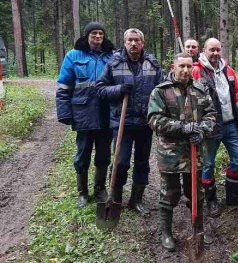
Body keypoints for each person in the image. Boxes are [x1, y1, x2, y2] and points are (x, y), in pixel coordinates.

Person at [148, 52, 217, 251]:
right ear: (173, 67)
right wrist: (182, 127)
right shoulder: (161, 91)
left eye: (189, 66)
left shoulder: (200, 89)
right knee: (169, 193)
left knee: (195, 192)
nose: (186, 70)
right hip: (170, 152)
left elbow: (211, 114)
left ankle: (198, 231)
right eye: (182, 67)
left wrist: (202, 130)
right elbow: (154, 119)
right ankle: (167, 233)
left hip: (194, 150)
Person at [96, 28, 164, 215]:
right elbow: (100, 89)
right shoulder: (114, 63)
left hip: (145, 123)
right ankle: (116, 198)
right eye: (130, 40)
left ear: (143, 43)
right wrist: (118, 90)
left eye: (137, 40)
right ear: (125, 42)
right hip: (122, 122)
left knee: (142, 163)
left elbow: (162, 89)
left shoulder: (153, 64)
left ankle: (136, 200)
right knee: (121, 162)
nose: (133, 44)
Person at [56, 22, 115, 208]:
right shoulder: (73, 56)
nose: (98, 37)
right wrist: (64, 112)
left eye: (101, 34)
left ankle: (100, 189)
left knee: (104, 155)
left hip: (106, 114)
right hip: (83, 114)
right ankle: (82, 192)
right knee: (82, 155)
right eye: (94, 34)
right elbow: (64, 87)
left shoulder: (112, 57)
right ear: (86, 36)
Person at [192, 38, 238, 217]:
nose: (215, 53)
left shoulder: (228, 70)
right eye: (212, 50)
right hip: (210, 126)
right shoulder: (197, 71)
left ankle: (233, 195)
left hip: (231, 123)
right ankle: (211, 200)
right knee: (209, 163)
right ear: (204, 50)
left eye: (218, 50)